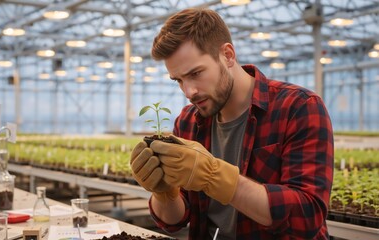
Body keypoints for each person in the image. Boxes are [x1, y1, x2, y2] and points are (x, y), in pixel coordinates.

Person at [130, 8, 334, 240]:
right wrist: (164, 193)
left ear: (227, 55)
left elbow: (307, 215)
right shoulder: (188, 121)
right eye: (178, 80)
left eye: (196, 73)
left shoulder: (298, 107)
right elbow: (175, 221)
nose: (188, 91)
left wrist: (215, 177)